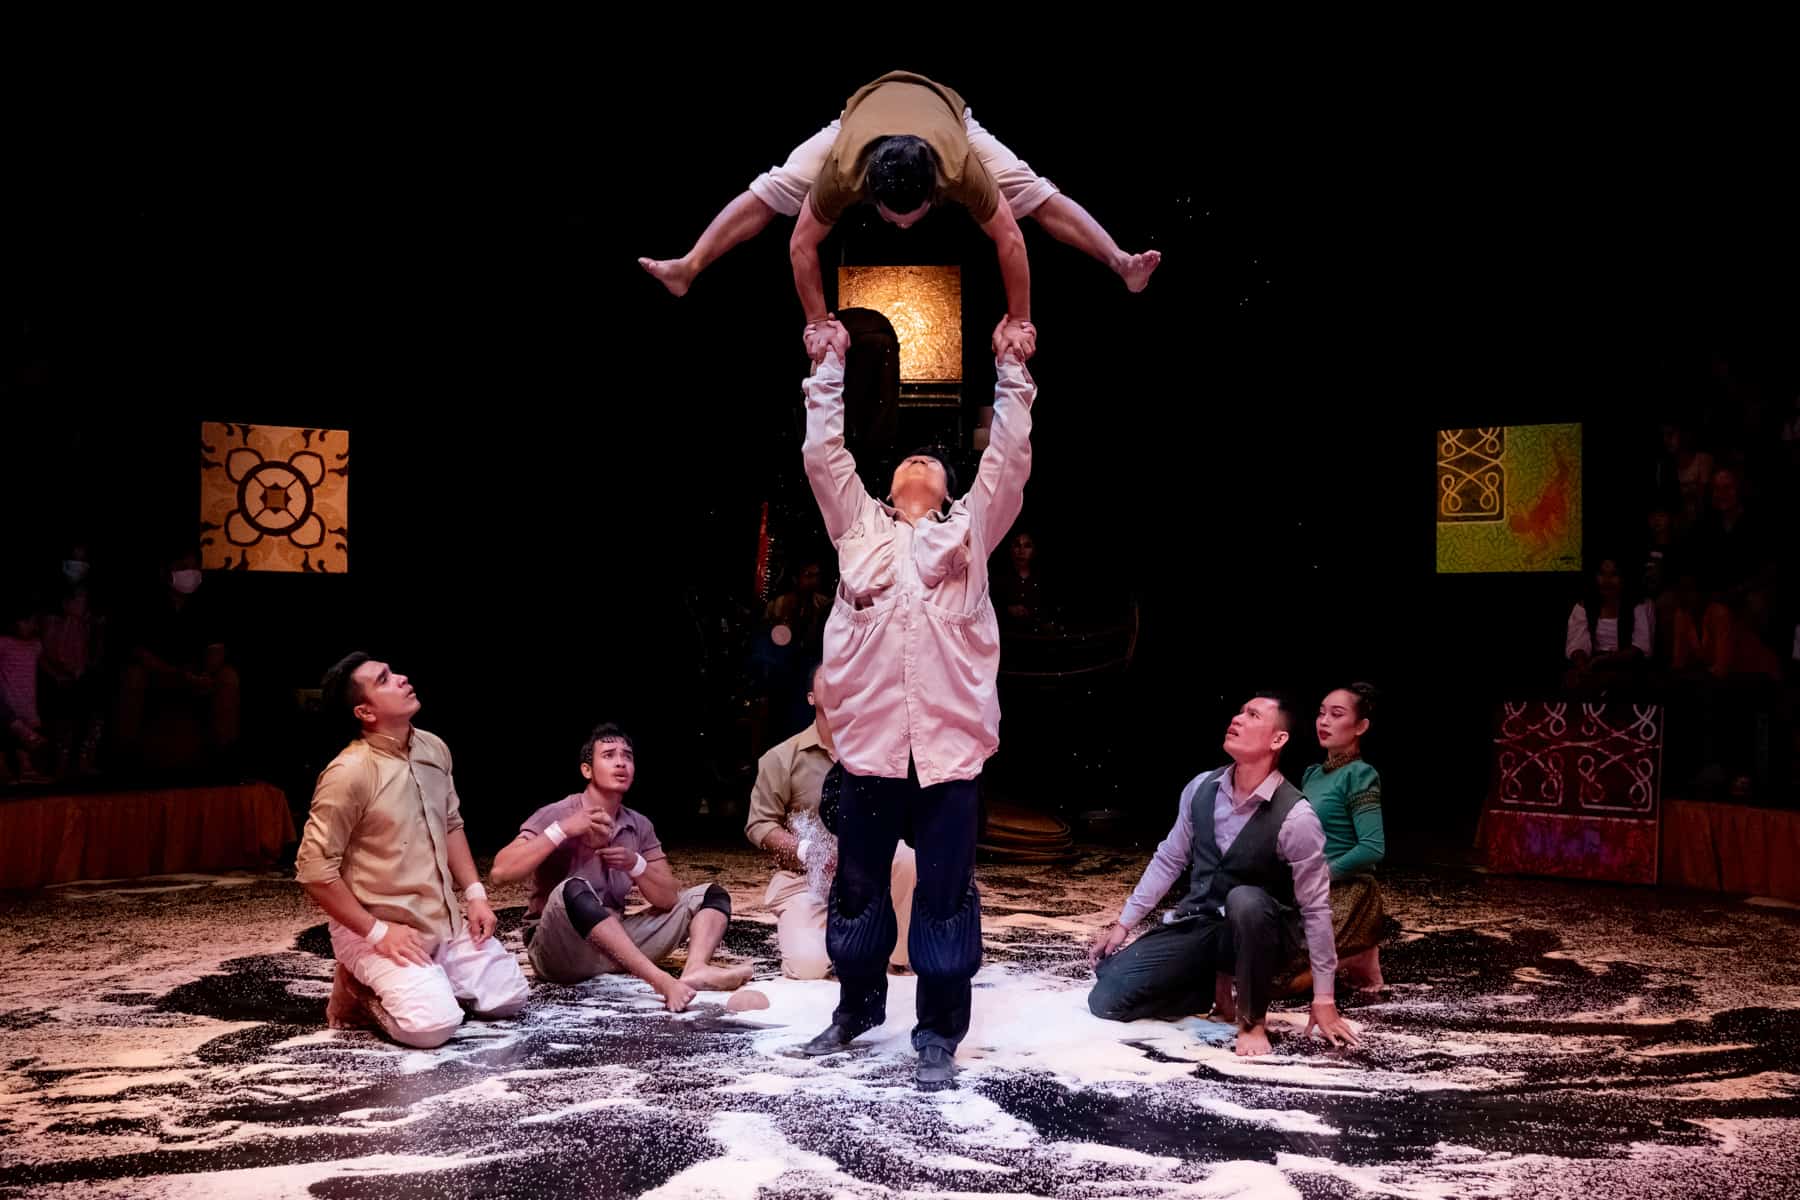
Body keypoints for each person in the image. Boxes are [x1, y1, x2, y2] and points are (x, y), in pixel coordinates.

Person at [792, 319, 1036, 1090]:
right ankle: (856, 1008)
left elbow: (1009, 460)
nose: (920, 460)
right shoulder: (857, 526)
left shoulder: (968, 531)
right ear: (890, 482)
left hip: (948, 751)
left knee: (943, 893)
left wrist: (1013, 371)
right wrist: (826, 365)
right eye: (908, 457)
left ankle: (937, 1032)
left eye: (933, 459)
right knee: (858, 890)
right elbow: (821, 455)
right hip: (867, 749)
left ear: (948, 487)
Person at [638, 69, 1160, 324]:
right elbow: (801, 245)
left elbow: (1012, 240)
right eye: (893, 217)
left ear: (937, 191)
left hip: (948, 115)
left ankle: (1120, 261)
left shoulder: (960, 167)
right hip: (858, 118)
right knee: (774, 188)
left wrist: (1020, 319)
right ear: (870, 190)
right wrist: (817, 325)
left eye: (912, 217)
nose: (904, 227)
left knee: (1034, 192)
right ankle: (689, 265)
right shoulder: (843, 169)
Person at [1087, 695, 1360, 1057]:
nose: (1238, 718)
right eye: (1239, 711)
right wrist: (1124, 924)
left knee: (1245, 900)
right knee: (1106, 995)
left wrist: (1324, 998)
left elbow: (1315, 909)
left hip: (1263, 934)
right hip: (1204, 925)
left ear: (1277, 740)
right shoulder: (1202, 787)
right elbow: (1170, 858)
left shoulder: (1296, 817)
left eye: (1252, 715)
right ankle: (1206, 986)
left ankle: (1252, 1020)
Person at [296, 653, 530, 1048]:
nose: (402, 678)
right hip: (379, 928)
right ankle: (356, 988)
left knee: (508, 998)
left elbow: (451, 824)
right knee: (431, 1028)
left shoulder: (433, 748)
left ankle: (429, 977)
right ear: (364, 711)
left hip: (440, 919)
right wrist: (377, 931)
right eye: (385, 679)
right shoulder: (349, 772)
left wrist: (474, 895)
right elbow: (314, 871)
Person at [491, 723, 753, 1012]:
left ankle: (696, 968)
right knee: (573, 888)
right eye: (609, 755)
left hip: (616, 947)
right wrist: (563, 829)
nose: (621, 762)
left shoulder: (638, 824)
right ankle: (661, 982)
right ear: (586, 770)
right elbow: (500, 873)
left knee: (709, 895)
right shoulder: (558, 813)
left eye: (627, 756)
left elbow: (668, 898)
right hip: (560, 951)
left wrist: (635, 864)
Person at [746, 662, 916, 980]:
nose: (838, 680)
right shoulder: (782, 757)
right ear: (811, 697)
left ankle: (895, 955)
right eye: (828, 675)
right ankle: (835, 944)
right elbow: (760, 824)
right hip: (805, 881)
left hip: (869, 873)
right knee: (809, 967)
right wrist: (809, 853)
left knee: (907, 855)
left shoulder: (879, 753)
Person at [115, 550, 240, 771]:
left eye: (194, 568)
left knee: (228, 678)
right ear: (166, 572)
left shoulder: (208, 604)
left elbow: (216, 649)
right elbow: (139, 652)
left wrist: (204, 674)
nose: (190, 574)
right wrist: (176, 673)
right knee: (133, 676)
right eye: (183, 567)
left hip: (196, 676)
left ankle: (223, 760)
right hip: (159, 675)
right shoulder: (146, 603)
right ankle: (125, 758)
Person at [1299, 684, 1387, 991]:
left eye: (1336, 714)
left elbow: (1372, 848)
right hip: (1308, 891)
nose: (1324, 721)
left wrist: (1322, 874)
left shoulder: (1360, 775)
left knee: (1279, 983)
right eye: (1321, 713)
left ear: (1361, 726)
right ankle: (1356, 955)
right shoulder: (1313, 774)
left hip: (1348, 890)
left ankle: (1359, 949)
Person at [1564, 556, 1655, 690]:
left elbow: (1640, 648)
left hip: (1630, 671)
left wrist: (1605, 660)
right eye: (1602, 574)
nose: (1606, 581)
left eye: (1614, 575)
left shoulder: (1640, 605)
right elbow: (1577, 644)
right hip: (1594, 668)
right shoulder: (1584, 606)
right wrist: (1582, 665)